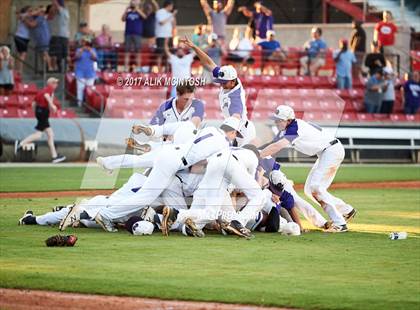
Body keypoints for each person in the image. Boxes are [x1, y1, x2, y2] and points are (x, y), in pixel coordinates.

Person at [259, 105, 356, 233]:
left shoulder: (294, 127)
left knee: (315, 187)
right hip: (326, 151)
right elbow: (272, 144)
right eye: (276, 119)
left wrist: (257, 156)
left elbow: (277, 146)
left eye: (279, 120)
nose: (276, 122)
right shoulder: (287, 129)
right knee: (309, 190)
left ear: (288, 120)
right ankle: (346, 210)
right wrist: (256, 151)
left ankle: (340, 224)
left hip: (331, 150)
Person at [181, 36, 257, 146]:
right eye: (220, 81)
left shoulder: (234, 97)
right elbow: (209, 62)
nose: (221, 84)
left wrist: (225, 134)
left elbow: (236, 116)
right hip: (235, 127)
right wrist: (194, 47)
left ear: (232, 81)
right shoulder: (230, 80)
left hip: (241, 131)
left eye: (224, 82)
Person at [15, 77, 66, 163]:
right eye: (54, 83)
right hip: (43, 112)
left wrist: (37, 113)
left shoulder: (41, 91)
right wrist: (52, 105)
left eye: (56, 83)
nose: (56, 85)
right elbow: (46, 96)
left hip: (40, 112)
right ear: (50, 84)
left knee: (50, 134)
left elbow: (33, 103)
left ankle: (54, 156)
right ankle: (21, 144)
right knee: (39, 135)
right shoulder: (48, 90)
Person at [122, 0, 146, 71]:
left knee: (138, 52)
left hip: (137, 34)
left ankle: (138, 68)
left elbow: (144, 17)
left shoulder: (139, 12)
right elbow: (123, 19)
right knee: (127, 51)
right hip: (128, 34)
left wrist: (137, 9)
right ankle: (125, 68)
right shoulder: (128, 13)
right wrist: (126, 10)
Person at [26, 6, 52, 71]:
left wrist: (25, 20)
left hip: (43, 38)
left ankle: (50, 67)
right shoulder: (36, 18)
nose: (34, 11)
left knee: (45, 53)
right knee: (41, 54)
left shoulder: (41, 17)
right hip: (39, 39)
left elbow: (32, 25)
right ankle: (44, 68)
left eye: (36, 10)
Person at [74, 37, 97, 107]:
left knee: (90, 90)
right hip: (80, 73)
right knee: (80, 89)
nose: (85, 44)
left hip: (90, 73)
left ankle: (89, 104)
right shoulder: (78, 50)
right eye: (84, 42)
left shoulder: (93, 50)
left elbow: (95, 58)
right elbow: (76, 57)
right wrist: (81, 50)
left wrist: (90, 51)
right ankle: (79, 104)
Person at [155, 0, 177, 72]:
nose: (172, 7)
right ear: (169, 5)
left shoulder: (170, 14)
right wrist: (171, 15)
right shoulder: (160, 12)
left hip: (169, 36)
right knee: (160, 54)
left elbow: (174, 26)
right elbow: (161, 22)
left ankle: (167, 70)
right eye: (172, 6)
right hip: (161, 36)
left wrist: (173, 16)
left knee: (169, 54)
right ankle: (159, 70)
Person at [48, 0, 70, 72]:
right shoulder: (62, 12)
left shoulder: (63, 11)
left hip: (60, 36)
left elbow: (57, 6)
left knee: (60, 55)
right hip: (60, 36)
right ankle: (60, 70)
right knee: (59, 55)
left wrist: (54, 3)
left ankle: (62, 70)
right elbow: (50, 16)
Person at [14, 6, 32, 73]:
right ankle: (19, 71)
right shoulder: (24, 15)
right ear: (26, 11)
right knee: (23, 54)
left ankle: (16, 69)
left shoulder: (27, 16)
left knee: (20, 54)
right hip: (21, 37)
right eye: (29, 10)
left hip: (23, 37)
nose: (31, 12)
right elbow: (19, 16)